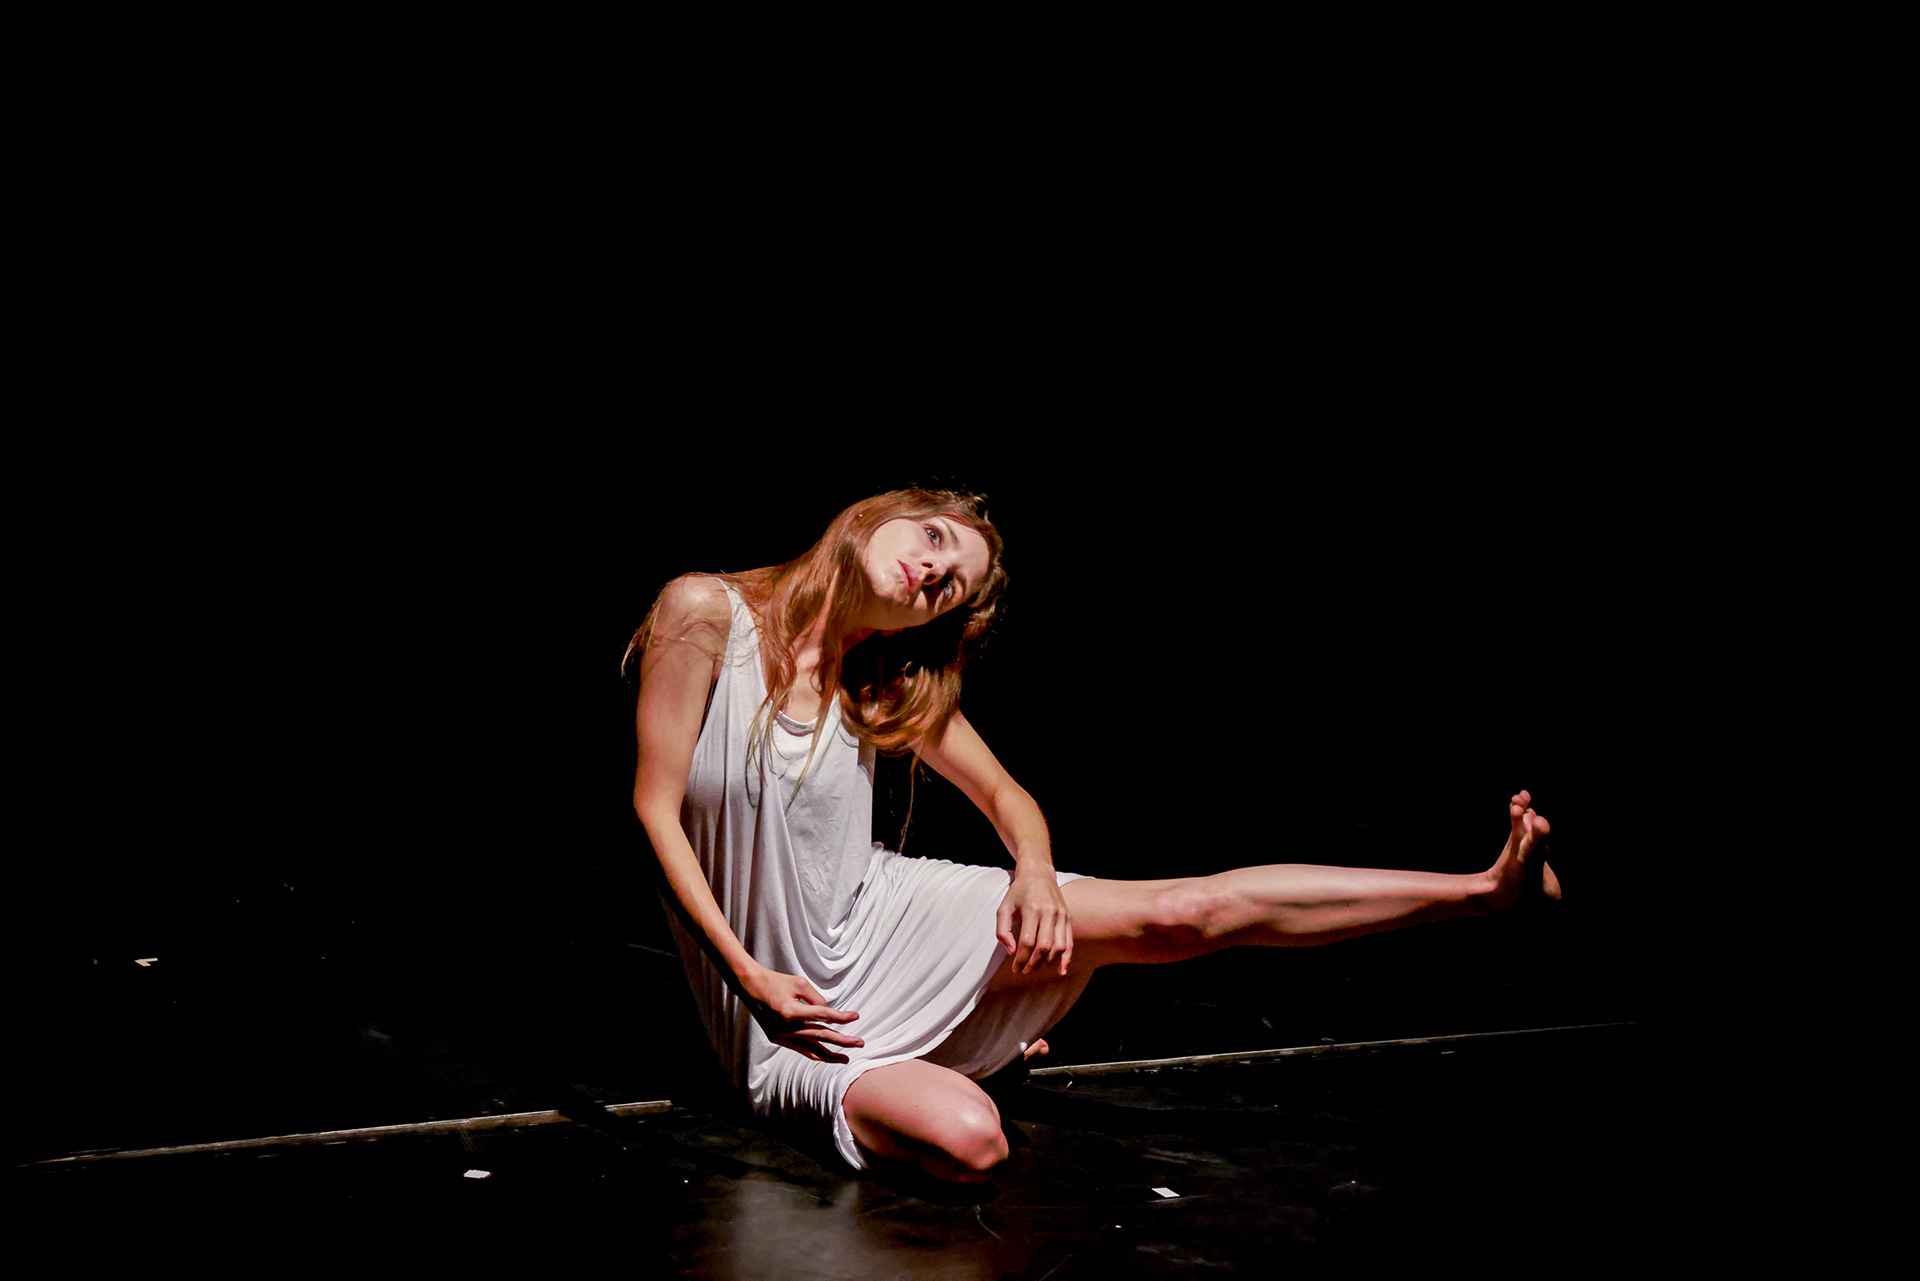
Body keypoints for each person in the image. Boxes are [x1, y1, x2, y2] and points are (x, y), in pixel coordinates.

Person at [628, 488, 1558, 1184]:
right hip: (777, 1014)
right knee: (973, 1141)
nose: (931, 572)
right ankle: (970, 1051)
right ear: (883, 514)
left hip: (886, 918)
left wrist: (1034, 870)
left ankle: (1481, 893)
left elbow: (1007, 793)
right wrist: (747, 977)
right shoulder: (705, 614)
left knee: (1187, 912)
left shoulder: (879, 677)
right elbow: (654, 811)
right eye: (935, 539)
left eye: (951, 587)